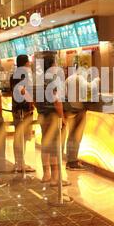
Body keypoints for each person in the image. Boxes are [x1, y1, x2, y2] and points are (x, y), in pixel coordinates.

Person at [35, 55, 70, 187]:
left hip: (42, 116)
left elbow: (34, 99)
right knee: (55, 147)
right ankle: (56, 178)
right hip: (53, 116)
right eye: (55, 63)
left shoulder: (38, 80)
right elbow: (57, 101)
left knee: (46, 145)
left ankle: (46, 175)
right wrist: (62, 117)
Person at [10, 55, 36, 173]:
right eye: (29, 62)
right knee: (22, 137)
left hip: (16, 108)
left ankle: (19, 163)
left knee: (19, 136)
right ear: (26, 63)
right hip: (23, 110)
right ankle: (21, 164)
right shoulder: (24, 73)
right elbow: (22, 89)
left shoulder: (14, 74)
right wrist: (31, 100)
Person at [63, 64, 89, 171]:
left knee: (71, 135)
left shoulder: (68, 79)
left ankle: (70, 160)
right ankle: (73, 162)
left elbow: (64, 94)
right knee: (76, 137)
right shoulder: (82, 79)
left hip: (69, 110)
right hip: (79, 110)